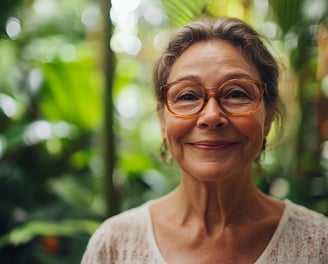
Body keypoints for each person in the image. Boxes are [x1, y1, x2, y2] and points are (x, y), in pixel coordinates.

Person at [81, 17, 328, 263]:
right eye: (187, 96)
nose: (211, 116)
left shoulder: (319, 245)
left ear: (268, 117)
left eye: (236, 93)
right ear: (162, 119)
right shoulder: (115, 246)